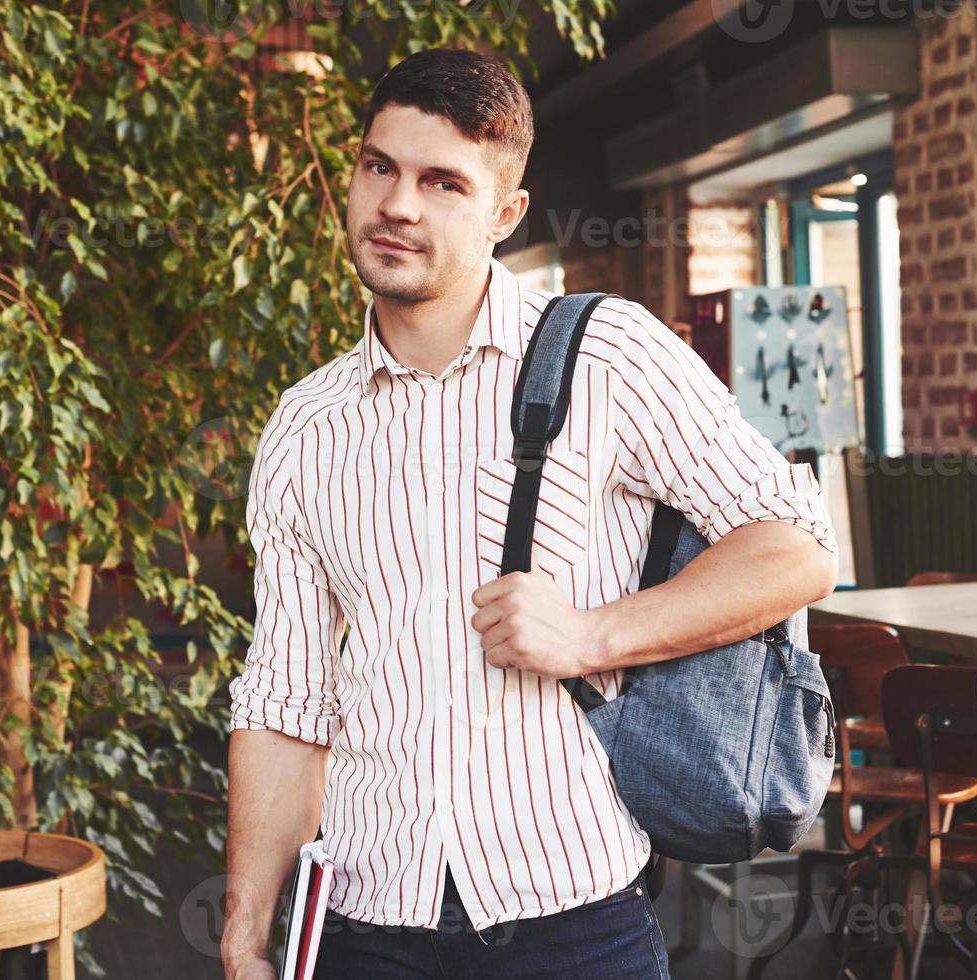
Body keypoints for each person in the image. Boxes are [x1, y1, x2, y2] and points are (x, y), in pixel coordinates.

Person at [220, 47, 838, 980]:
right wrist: (242, 935)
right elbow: (285, 700)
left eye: (442, 182)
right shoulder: (307, 426)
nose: (397, 205)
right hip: (363, 918)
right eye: (379, 167)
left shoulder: (607, 356)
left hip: (571, 914)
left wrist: (592, 636)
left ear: (505, 214)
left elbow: (796, 548)